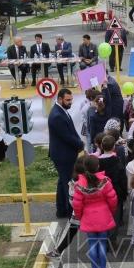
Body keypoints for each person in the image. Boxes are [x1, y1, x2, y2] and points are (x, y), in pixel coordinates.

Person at [72, 155, 118, 268]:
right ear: (98, 166)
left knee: (92, 244)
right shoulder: (105, 181)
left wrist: (80, 216)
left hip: (88, 217)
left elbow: (77, 204)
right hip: (103, 216)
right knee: (102, 243)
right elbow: (113, 199)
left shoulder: (79, 185)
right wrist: (111, 212)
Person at [48, 88, 84, 218]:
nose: (70, 103)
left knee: (63, 182)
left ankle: (61, 210)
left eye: (71, 100)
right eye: (68, 100)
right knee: (68, 183)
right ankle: (69, 212)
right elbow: (67, 136)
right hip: (63, 156)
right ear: (59, 99)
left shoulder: (61, 111)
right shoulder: (57, 116)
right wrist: (80, 144)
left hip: (64, 154)